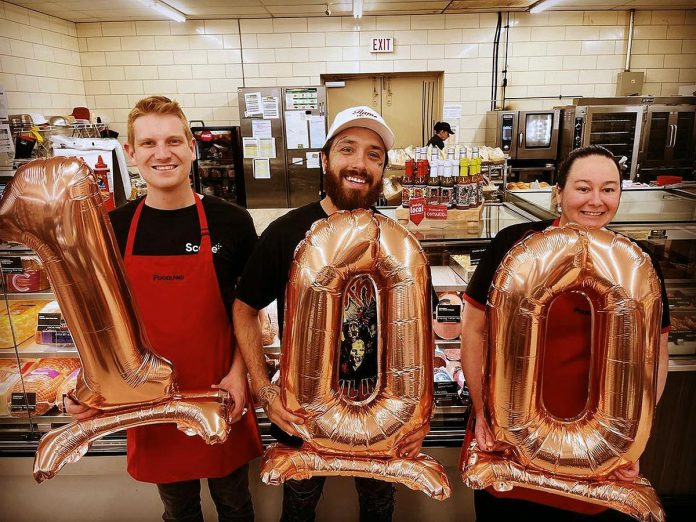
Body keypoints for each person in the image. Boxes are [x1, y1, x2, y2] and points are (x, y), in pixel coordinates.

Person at [66, 96, 263, 522]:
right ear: (131, 152)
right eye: (149, 142)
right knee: (178, 510)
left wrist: (239, 373)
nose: (163, 153)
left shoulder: (232, 222)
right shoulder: (115, 228)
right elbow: (101, 322)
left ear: (192, 147)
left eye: (174, 140)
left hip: (219, 392)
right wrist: (88, 385)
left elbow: (249, 314)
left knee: (235, 503)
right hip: (150, 401)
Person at [233, 106, 429, 522]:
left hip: (385, 411)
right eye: (347, 149)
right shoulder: (287, 232)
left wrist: (418, 414)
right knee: (299, 507)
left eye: (374, 155)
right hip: (303, 411)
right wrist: (264, 390)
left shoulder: (396, 242)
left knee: (379, 507)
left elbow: (417, 336)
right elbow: (244, 309)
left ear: (383, 170)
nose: (359, 163)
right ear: (325, 159)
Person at [460, 144, 671, 521]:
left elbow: (654, 358)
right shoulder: (515, 244)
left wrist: (631, 441)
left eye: (609, 189)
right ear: (559, 193)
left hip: (591, 452)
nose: (596, 200)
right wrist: (480, 411)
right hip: (509, 448)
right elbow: (473, 331)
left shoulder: (637, 265)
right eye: (583, 187)